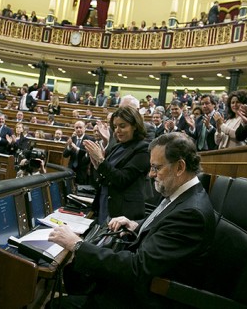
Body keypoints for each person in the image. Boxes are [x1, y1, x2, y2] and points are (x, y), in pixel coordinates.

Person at [48, 132, 215, 308]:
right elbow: (164, 223)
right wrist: (136, 225)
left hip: (144, 298)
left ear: (180, 167)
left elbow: (137, 267)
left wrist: (77, 245)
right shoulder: (182, 194)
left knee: (57, 305)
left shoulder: (191, 214)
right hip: (137, 288)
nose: (151, 174)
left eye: (156, 168)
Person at [83, 106, 150, 225]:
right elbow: (101, 179)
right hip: (105, 204)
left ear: (135, 126)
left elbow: (121, 179)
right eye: (115, 126)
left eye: (122, 126)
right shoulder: (116, 147)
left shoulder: (143, 149)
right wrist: (96, 165)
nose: (117, 130)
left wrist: (101, 160)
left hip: (123, 212)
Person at [63, 121, 93, 186]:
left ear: (84, 128)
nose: (78, 129)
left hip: (82, 170)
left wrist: (76, 148)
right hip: (71, 169)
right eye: (76, 128)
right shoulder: (72, 139)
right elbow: (65, 155)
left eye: (80, 127)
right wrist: (69, 147)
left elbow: (88, 154)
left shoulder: (90, 139)